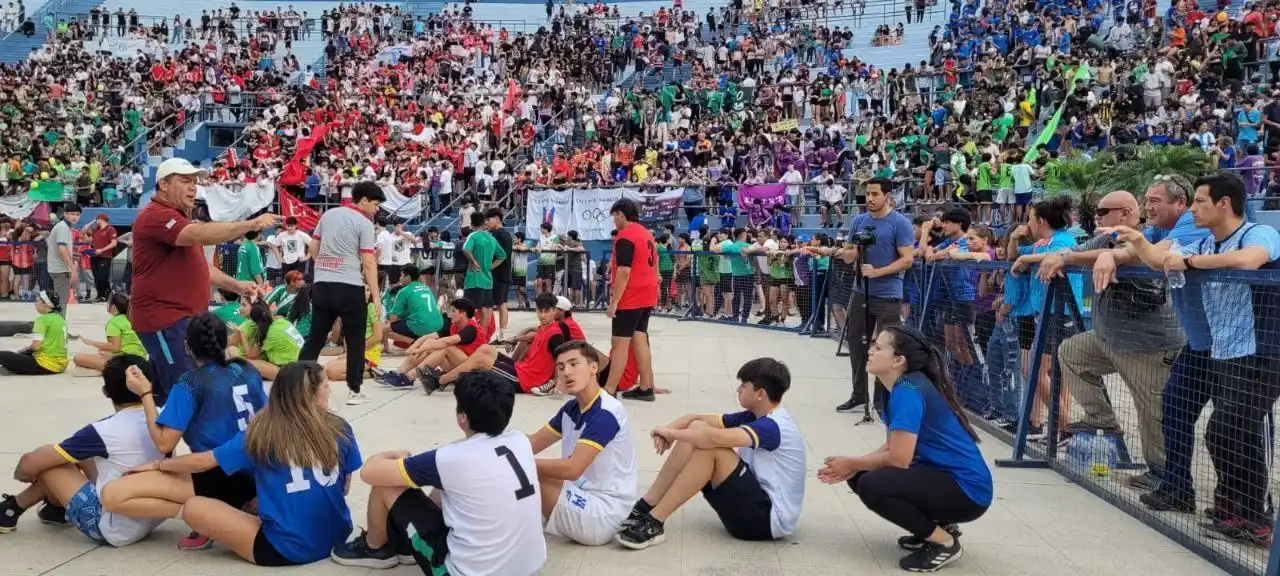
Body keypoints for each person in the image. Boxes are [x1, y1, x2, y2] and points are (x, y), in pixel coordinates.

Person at [1107, 172, 1280, 545]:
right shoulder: (1204, 241)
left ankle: (1257, 516)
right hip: (1225, 349)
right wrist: (1137, 240)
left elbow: (1250, 260)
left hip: (1262, 350)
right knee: (1221, 431)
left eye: (1200, 202)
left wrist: (1192, 263)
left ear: (1224, 203)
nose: (1194, 209)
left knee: (1237, 430)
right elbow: (1163, 260)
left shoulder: (1258, 233)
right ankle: (1233, 506)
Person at [107, 362, 363, 566]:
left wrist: (158, 465)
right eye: (326, 385)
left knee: (195, 507)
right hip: (337, 534)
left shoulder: (263, 432)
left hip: (285, 549)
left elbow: (203, 461)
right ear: (312, 394)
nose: (330, 389)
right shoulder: (340, 428)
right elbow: (344, 487)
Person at [1034, 190, 1183, 491]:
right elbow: (1074, 251)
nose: (1097, 217)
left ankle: (1163, 475)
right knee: (1072, 352)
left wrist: (1107, 257)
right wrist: (1059, 255)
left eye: (1103, 212)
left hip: (1148, 344)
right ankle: (1101, 418)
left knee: (1151, 411)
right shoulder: (1104, 239)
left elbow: (1144, 272)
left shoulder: (1150, 238)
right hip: (1109, 338)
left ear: (1125, 213)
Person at [330, 371, 547, 574]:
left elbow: (370, 472)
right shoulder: (520, 440)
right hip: (528, 566)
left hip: (463, 572)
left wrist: (394, 455)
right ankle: (408, 544)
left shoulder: (451, 458)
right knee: (447, 485)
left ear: (462, 418)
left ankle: (375, 548)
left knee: (386, 484)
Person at [819, 328, 992, 572]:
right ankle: (937, 527)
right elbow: (893, 445)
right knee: (861, 475)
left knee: (872, 484)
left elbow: (900, 459)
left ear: (898, 360)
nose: (870, 351)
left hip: (968, 491)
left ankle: (944, 542)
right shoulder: (896, 387)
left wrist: (852, 463)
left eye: (879, 348)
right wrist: (853, 466)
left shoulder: (908, 391)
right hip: (943, 477)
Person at [99, 313, 267, 551]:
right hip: (260, 474)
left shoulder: (190, 383)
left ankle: (206, 518)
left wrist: (145, 393)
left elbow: (164, 443)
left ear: (187, 346)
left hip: (219, 476)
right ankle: (226, 509)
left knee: (113, 495)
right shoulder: (247, 370)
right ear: (226, 341)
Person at [616, 358, 805, 549]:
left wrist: (672, 434)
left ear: (760, 394)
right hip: (751, 507)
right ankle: (646, 506)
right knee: (697, 429)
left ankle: (654, 522)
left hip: (766, 522)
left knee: (713, 448)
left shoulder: (774, 427)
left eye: (743, 386)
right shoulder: (756, 415)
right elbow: (695, 420)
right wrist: (667, 430)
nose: (738, 390)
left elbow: (712, 438)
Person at [132, 158, 275, 405]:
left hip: (182, 320)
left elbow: (201, 268)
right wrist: (251, 224)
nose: (192, 187)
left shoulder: (178, 221)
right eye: (184, 181)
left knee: (171, 391)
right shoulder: (157, 215)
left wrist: (237, 286)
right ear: (164, 185)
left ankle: (156, 426)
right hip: (164, 320)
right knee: (185, 391)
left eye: (194, 182)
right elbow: (199, 234)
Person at [0, 355, 163, 545]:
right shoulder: (161, 415)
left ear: (105, 391)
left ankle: (12, 508)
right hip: (153, 514)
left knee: (50, 464)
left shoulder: (102, 431)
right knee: (71, 454)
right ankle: (53, 507)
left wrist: (26, 474)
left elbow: (29, 465)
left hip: (115, 529)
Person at [527, 341, 637, 546]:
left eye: (573, 364)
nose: (566, 372)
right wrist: (495, 445)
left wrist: (515, 463)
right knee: (521, 471)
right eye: (561, 368)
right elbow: (532, 443)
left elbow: (573, 469)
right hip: (582, 492)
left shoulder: (606, 413)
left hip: (606, 512)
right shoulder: (572, 408)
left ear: (594, 367)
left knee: (525, 474)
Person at [299, 180, 385, 406]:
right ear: (363, 200)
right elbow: (368, 262)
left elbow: (313, 248)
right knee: (355, 341)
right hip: (349, 287)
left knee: (315, 338)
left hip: (322, 285)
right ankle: (354, 391)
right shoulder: (364, 224)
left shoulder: (328, 215)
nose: (376, 209)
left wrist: (325, 267)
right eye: (375, 204)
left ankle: (299, 385)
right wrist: (376, 297)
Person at [834, 178, 915, 413]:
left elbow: (907, 260)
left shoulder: (900, 223)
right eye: (867, 194)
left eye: (874, 194)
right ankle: (859, 395)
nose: (869, 199)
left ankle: (882, 400)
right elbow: (851, 253)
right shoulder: (859, 221)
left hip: (888, 294)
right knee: (856, 344)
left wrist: (878, 272)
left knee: (886, 347)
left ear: (887, 196)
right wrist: (847, 253)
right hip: (861, 291)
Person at [605, 198, 659, 400]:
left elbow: (624, 271)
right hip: (647, 292)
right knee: (640, 338)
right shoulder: (646, 234)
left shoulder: (625, 236)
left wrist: (614, 301)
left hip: (631, 295)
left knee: (619, 342)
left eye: (614, 216)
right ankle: (646, 387)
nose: (614, 221)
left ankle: (609, 389)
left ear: (621, 214)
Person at [488, 293, 571, 395]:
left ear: (554, 311)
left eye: (546, 311)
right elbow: (529, 335)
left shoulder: (555, 334)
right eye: (540, 311)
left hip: (527, 381)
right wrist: (515, 339)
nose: (542, 315)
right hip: (522, 369)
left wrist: (556, 382)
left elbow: (561, 360)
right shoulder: (543, 328)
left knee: (482, 361)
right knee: (486, 350)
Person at [323, 283, 384, 384]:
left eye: (368, 290)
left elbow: (378, 337)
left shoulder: (372, 308)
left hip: (368, 357)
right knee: (325, 368)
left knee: (332, 372)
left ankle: (372, 373)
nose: (365, 293)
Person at [73, 293, 147, 375]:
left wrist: (92, 343)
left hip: (127, 364)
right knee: (101, 352)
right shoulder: (131, 318)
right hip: (141, 361)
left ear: (113, 307)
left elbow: (115, 347)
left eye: (108, 303)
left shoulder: (114, 322)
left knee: (78, 358)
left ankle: (111, 371)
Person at [0, 291, 68, 375]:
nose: (35, 304)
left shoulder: (42, 320)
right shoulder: (60, 319)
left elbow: (36, 346)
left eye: (37, 301)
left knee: (4, 355)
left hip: (45, 365)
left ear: (46, 304)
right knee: (20, 355)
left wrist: (27, 350)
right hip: (60, 365)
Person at [234, 298, 304, 380]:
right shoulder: (282, 321)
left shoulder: (269, 333)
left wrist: (241, 334)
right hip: (302, 364)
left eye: (243, 305)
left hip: (289, 372)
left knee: (245, 361)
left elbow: (250, 355)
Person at [462, 211, 506, 334]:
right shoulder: (491, 238)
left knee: (467, 312)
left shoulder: (473, 236)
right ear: (483, 223)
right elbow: (502, 255)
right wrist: (490, 267)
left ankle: (471, 337)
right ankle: (482, 336)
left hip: (474, 280)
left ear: (472, 224)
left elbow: (466, 249)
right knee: (487, 310)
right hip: (488, 281)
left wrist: (473, 261)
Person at [384, 265, 444, 349]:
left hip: (421, 326)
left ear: (408, 277)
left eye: (401, 276)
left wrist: (387, 316)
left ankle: (412, 341)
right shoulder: (426, 288)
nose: (400, 278)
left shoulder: (404, 291)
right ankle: (418, 341)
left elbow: (393, 319)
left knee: (384, 329)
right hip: (438, 325)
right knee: (407, 322)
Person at [45, 204, 80, 319]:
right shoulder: (63, 227)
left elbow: (59, 248)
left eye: (77, 214)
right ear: (65, 214)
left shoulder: (64, 226)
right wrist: (73, 268)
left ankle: (59, 325)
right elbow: (61, 249)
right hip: (60, 269)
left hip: (59, 267)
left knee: (61, 300)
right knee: (61, 302)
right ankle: (60, 327)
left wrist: (71, 255)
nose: (75, 217)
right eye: (72, 214)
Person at [486, 208, 515, 340]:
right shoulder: (491, 234)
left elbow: (503, 256)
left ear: (497, 219)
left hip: (502, 275)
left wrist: (490, 267)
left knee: (501, 304)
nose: (487, 223)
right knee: (489, 304)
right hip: (491, 275)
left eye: (489, 220)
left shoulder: (504, 235)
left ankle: (502, 336)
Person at [85, 213, 118, 303]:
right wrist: (90, 223)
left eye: (96, 219)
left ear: (101, 219)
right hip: (94, 256)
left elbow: (114, 243)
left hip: (105, 256)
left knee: (102, 276)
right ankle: (100, 295)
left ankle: (107, 293)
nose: (95, 221)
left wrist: (102, 250)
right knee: (96, 277)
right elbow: (85, 232)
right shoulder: (96, 230)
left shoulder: (110, 229)